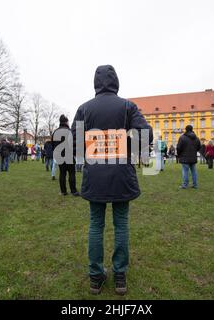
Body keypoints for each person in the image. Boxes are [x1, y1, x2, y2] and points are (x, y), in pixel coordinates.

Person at [71, 65, 153, 295]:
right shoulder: (127, 106)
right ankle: (119, 275)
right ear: (115, 81)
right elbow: (146, 134)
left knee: (96, 225)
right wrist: (126, 146)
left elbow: (73, 142)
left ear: (96, 83)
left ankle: (96, 277)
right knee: (121, 224)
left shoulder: (84, 108)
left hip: (95, 173)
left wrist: (92, 147)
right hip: (120, 173)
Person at [52, 115, 79, 196]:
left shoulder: (55, 132)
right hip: (69, 155)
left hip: (60, 156)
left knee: (62, 173)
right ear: (66, 122)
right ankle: (73, 191)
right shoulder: (70, 131)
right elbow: (74, 144)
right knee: (71, 173)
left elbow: (53, 145)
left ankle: (63, 191)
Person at [176, 125, 201, 189]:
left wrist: (179, 155)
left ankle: (185, 185)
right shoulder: (196, 138)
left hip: (184, 157)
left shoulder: (182, 137)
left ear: (186, 129)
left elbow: (178, 147)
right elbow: (199, 147)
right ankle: (195, 184)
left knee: (185, 172)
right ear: (192, 129)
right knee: (194, 171)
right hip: (193, 157)